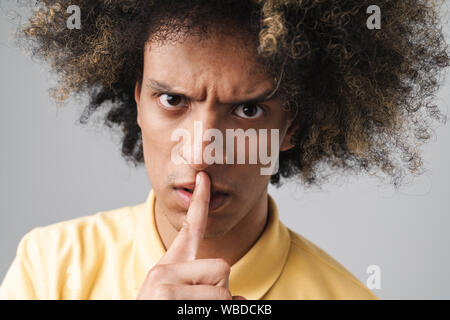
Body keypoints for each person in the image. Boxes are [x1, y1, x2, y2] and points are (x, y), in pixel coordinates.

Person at [1, 0, 449, 300]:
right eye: (173, 100)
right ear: (137, 101)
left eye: (248, 110)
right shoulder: (50, 269)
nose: (201, 153)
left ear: (291, 127)